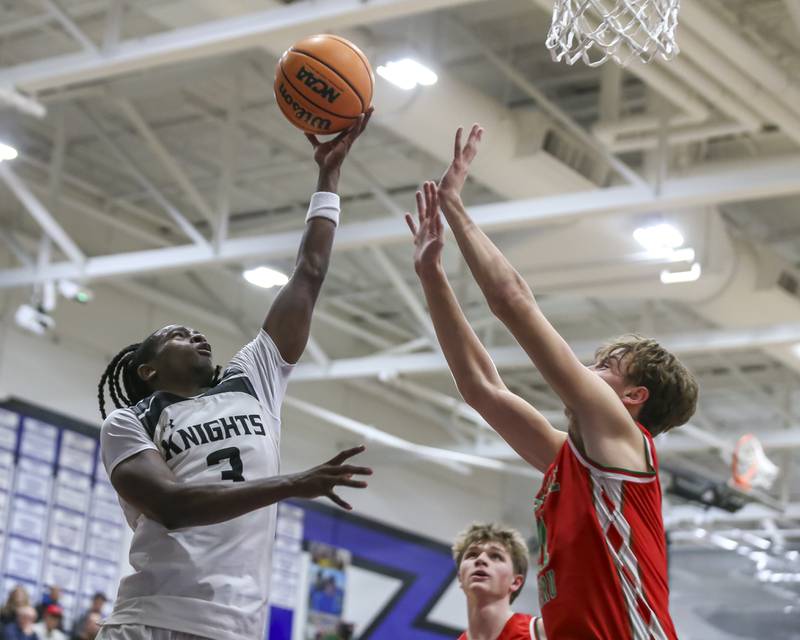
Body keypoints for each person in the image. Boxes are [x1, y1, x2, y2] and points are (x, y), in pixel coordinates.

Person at [406, 126, 698, 639]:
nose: (587, 371)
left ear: (634, 398)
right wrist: (432, 273)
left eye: (605, 366)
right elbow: (481, 389)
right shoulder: (574, 462)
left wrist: (455, 206)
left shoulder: (624, 438)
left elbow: (514, 302)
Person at [95, 111, 374, 640]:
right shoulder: (130, 423)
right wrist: (295, 482)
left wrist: (328, 178)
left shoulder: (254, 378)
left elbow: (308, 274)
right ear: (148, 368)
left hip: (238, 628)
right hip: (152, 619)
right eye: (177, 334)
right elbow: (172, 507)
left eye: (196, 331)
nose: (196, 335)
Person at [452, 523, 543, 640]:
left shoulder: (541, 632)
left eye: (495, 556)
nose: (480, 559)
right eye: (472, 554)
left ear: (515, 582)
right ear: (460, 577)